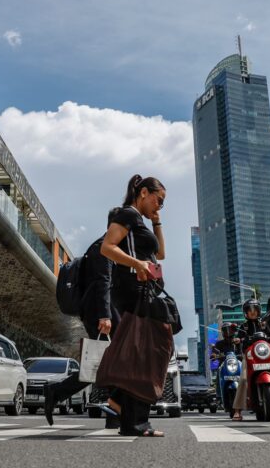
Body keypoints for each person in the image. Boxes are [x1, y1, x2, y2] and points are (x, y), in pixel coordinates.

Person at [100, 174, 167, 437]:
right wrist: (138, 264)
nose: (159, 205)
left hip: (144, 290)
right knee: (150, 350)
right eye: (158, 200)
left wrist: (157, 222)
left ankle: (126, 411)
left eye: (162, 203)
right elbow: (107, 247)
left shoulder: (141, 221)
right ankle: (134, 419)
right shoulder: (127, 214)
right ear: (144, 193)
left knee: (143, 353)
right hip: (132, 290)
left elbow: (160, 254)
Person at [42, 224, 122, 427]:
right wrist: (105, 316)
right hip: (99, 314)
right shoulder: (103, 248)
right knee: (111, 363)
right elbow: (103, 281)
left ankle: (114, 415)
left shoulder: (105, 247)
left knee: (107, 364)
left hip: (98, 313)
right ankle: (114, 415)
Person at [230, 298, 265, 421]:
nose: (253, 312)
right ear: (246, 312)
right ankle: (237, 409)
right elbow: (238, 338)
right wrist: (237, 340)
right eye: (250, 310)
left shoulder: (264, 324)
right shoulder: (243, 327)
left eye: (255, 309)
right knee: (244, 378)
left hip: (266, 355)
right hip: (250, 356)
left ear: (259, 311)